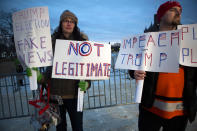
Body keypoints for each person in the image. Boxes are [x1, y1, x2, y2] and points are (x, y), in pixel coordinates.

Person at [129, 1, 197, 131]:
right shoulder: (146, 39)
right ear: (160, 15)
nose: (178, 12)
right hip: (150, 106)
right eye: (172, 9)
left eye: (180, 10)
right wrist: (134, 72)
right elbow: (133, 64)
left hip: (180, 109)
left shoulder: (190, 38)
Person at [42, 10, 91, 131]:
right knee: (60, 128)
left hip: (75, 95)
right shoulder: (51, 43)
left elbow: (88, 67)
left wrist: (87, 83)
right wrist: (39, 77)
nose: (69, 23)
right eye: (65, 21)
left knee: (78, 127)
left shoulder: (82, 44)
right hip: (56, 95)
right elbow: (49, 69)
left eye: (72, 21)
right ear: (61, 23)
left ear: (75, 25)